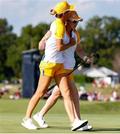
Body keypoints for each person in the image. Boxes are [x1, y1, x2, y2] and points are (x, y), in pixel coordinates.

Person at [21, 1, 87, 130]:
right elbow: (59, 47)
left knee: (66, 92)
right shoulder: (58, 25)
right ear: (65, 14)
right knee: (40, 92)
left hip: (60, 65)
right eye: (68, 13)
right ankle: (27, 118)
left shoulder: (62, 25)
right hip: (49, 64)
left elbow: (72, 47)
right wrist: (71, 43)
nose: (76, 23)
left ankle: (74, 122)